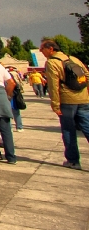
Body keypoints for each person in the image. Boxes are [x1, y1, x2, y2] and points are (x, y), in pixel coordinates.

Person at [40, 39, 89, 170]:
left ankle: (73, 161)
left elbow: (53, 85)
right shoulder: (73, 59)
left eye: (42, 49)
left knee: (68, 130)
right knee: (87, 127)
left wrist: (55, 104)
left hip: (67, 100)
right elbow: (87, 75)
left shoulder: (52, 62)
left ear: (51, 49)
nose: (41, 52)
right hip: (83, 99)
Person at [7, 66, 24, 131]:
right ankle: (19, 127)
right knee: (14, 111)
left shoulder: (8, 74)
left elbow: (13, 83)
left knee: (12, 111)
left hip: (10, 95)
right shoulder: (8, 74)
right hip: (11, 94)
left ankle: (17, 127)